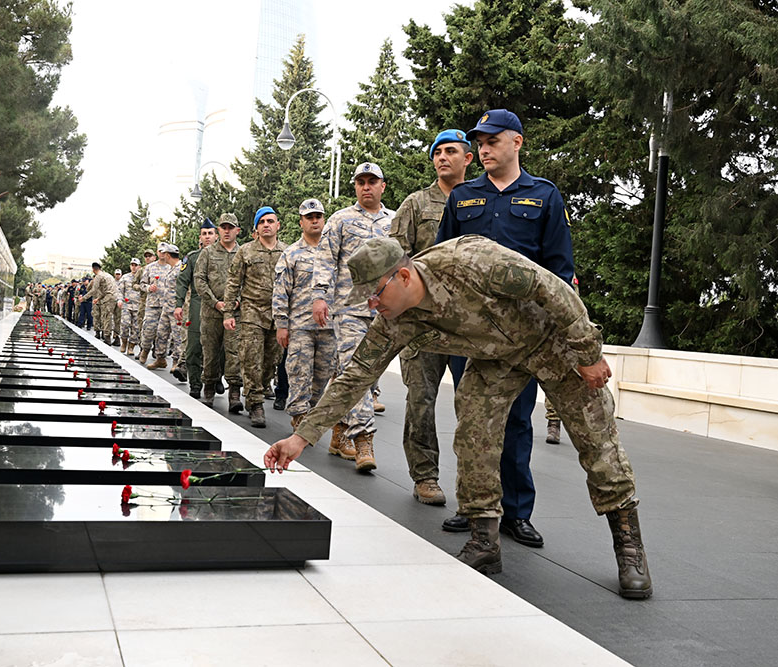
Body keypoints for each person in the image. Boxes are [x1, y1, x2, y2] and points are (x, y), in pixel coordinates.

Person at [265, 236, 653, 600]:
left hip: (553, 342)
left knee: (596, 440)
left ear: (403, 275)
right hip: (497, 357)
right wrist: (300, 439)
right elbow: (356, 375)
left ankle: (628, 544)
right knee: (473, 433)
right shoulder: (395, 319)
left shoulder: (471, 263)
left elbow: (552, 289)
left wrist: (587, 352)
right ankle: (484, 539)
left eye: (374, 294)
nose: (371, 306)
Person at [435, 109, 575, 549]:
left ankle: (516, 512)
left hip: (520, 335)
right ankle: (474, 507)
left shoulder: (544, 195)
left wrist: (554, 329)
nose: (484, 148)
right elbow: (440, 262)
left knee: (516, 420)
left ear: (517, 142)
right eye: (480, 141)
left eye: (493, 140)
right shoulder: (463, 197)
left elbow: (558, 267)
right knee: (472, 421)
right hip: (469, 331)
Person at [391, 129, 474, 506]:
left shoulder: (480, 200)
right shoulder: (415, 204)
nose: (443, 157)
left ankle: (474, 483)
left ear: (467, 158)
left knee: (473, 403)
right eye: (437, 152)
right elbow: (395, 258)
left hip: (468, 324)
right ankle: (425, 476)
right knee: (421, 400)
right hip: (424, 323)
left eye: (451, 151)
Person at [311, 162, 394, 470]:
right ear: (355, 186)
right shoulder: (341, 220)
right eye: (361, 181)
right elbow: (326, 260)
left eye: (372, 181)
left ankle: (340, 430)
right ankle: (364, 441)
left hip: (384, 311)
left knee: (353, 375)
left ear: (382, 186)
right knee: (355, 371)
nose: (366, 186)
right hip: (349, 310)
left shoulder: (394, 221)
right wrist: (320, 296)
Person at [273, 198, 335, 432]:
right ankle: (300, 417)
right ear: (301, 222)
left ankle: (311, 412)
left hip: (329, 327)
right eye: (309, 217)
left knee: (321, 378)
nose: (315, 220)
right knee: (299, 375)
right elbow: (281, 291)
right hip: (300, 327)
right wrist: (281, 323)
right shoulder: (291, 254)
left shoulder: (333, 252)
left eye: (318, 216)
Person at [223, 206, 287, 428]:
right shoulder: (246, 252)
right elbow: (233, 283)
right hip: (251, 313)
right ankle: (255, 403)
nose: (266, 225)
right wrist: (228, 313)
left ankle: (259, 389)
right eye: (262, 222)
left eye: (270, 221)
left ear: (278, 225)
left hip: (277, 316)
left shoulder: (287, 252)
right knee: (251, 360)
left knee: (271, 362)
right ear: (256, 228)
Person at [194, 213, 243, 412]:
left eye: (231, 227)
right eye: (223, 227)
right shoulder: (207, 253)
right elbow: (199, 280)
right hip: (211, 312)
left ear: (237, 230)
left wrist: (237, 300)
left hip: (235, 313)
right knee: (210, 352)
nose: (227, 230)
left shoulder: (243, 253)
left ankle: (234, 394)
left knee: (235, 353)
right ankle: (209, 389)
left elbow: (248, 282)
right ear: (219, 230)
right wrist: (215, 303)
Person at [175, 219, 217, 397]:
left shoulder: (228, 255)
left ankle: (215, 378)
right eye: (204, 234)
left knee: (219, 349)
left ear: (216, 235)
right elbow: (182, 282)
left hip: (219, 306)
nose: (207, 237)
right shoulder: (192, 258)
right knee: (193, 347)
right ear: (200, 237)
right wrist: (178, 305)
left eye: (210, 233)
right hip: (197, 306)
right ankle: (195, 384)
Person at [148, 243, 183, 370]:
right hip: (166, 307)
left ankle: (177, 362)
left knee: (177, 336)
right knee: (161, 334)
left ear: (168, 255)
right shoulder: (170, 268)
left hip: (176, 309)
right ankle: (160, 359)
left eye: (165, 254)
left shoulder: (180, 268)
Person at [137, 243, 172, 364]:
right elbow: (141, 284)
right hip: (152, 304)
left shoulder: (171, 267)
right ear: (157, 253)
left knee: (164, 333)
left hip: (167, 305)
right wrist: (148, 288)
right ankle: (145, 350)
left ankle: (160, 357)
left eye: (164, 251)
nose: (162, 253)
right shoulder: (150, 267)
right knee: (148, 330)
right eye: (160, 251)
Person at [76, 262, 120, 340]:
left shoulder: (98, 276)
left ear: (93, 269)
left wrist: (83, 298)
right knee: (116, 319)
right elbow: (107, 290)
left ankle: (107, 338)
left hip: (108, 299)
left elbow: (93, 290)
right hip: (117, 298)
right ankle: (117, 338)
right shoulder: (108, 275)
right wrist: (98, 298)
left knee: (107, 318)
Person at [119, 258, 141, 355]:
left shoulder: (142, 278)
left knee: (135, 328)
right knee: (125, 324)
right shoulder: (125, 277)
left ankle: (131, 347)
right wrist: (119, 299)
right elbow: (120, 290)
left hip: (138, 306)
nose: (134, 267)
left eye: (135, 265)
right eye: (132, 265)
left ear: (139, 266)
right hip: (126, 305)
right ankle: (124, 343)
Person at [111, 268, 124, 345]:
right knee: (110, 318)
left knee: (118, 319)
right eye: (116, 274)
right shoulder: (111, 282)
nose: (118, 275)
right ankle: (109, 334)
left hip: (119, 302)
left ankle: (117, 335)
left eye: (119, 274)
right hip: (112, 301)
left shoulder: (123, 281)